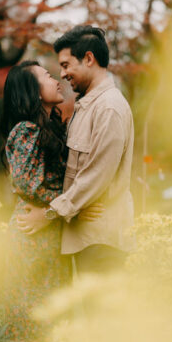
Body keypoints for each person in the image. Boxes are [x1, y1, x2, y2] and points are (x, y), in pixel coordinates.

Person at [17, 26, 134, 275]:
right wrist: (77, 206)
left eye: (66, 65)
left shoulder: (108, 109)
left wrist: (49, 214)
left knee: (101, 314)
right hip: (86, 238)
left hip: (101, 240)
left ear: (89, 59)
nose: (63, 74)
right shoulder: (86, 107)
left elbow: (96, 177)